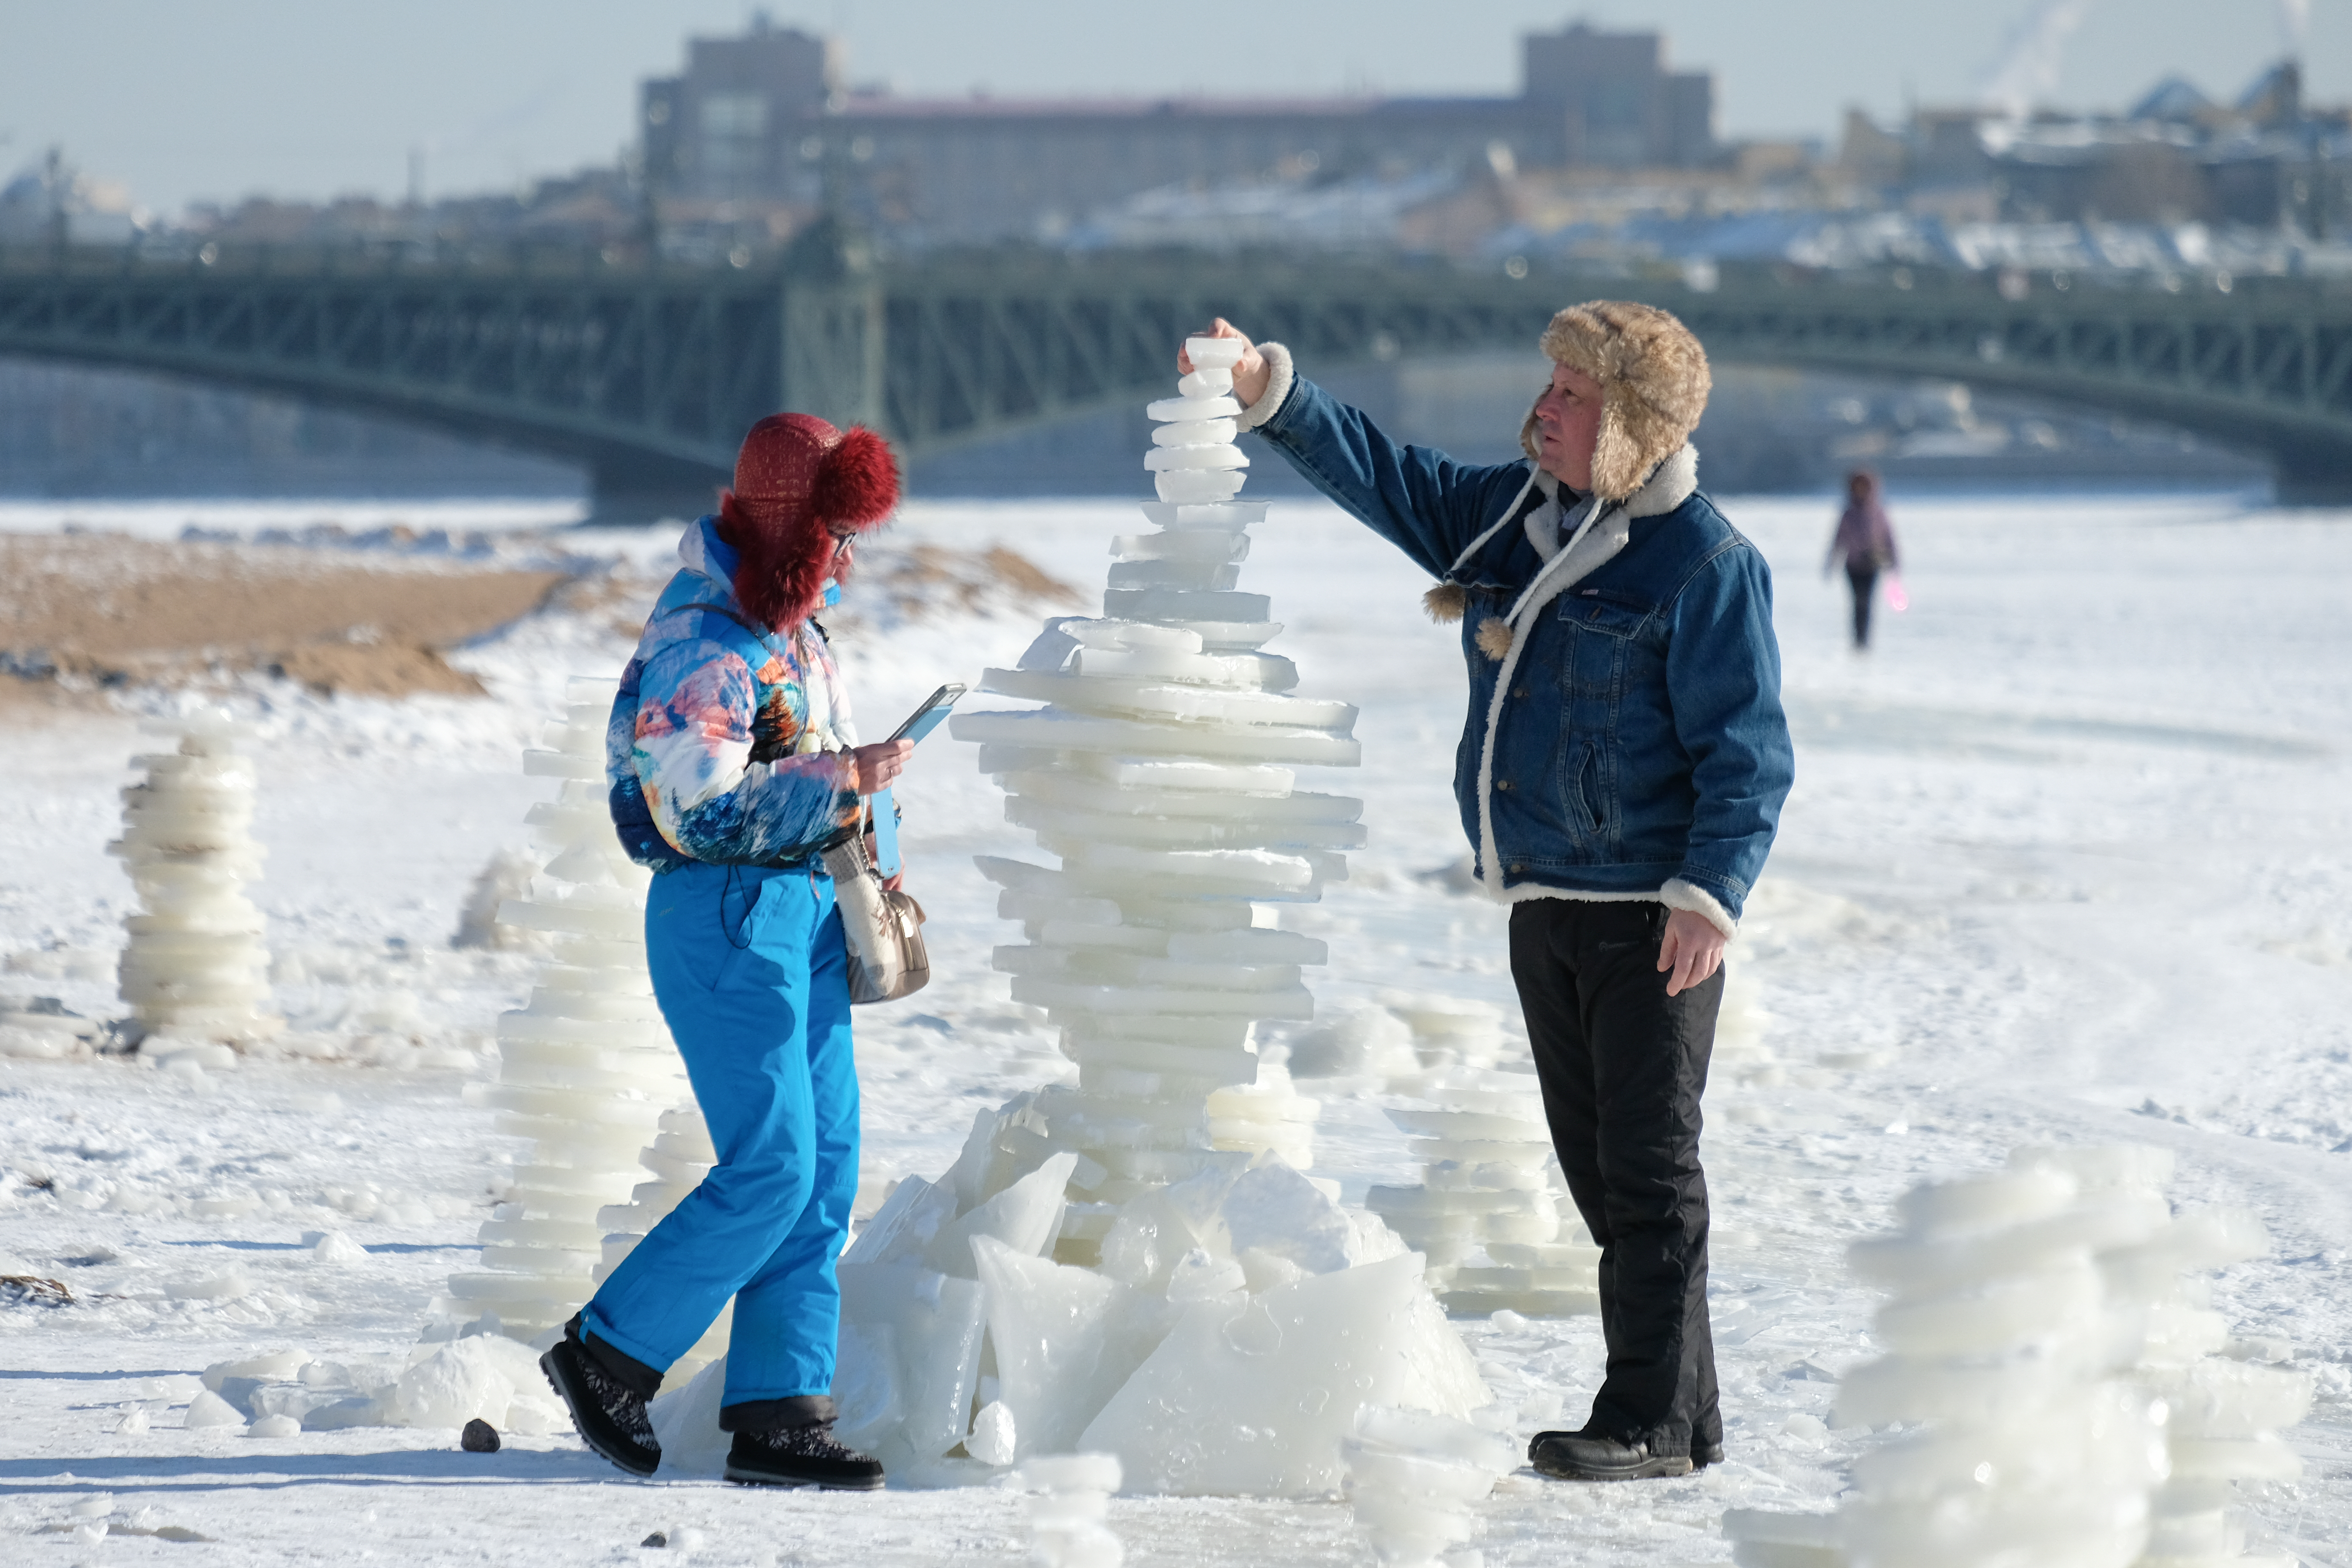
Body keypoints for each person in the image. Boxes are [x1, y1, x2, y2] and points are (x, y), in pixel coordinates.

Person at [1182, 304, 1793, 1482]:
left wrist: (1705, 897)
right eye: (1549, 384)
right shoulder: (1517, 522)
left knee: (1649, 1173)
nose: (1544, 409)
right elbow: (1394, 482)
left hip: (1647, 915)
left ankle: (1644, 1420)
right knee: (1600, 1173)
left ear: (1631, 427)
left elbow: (1746, 753)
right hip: (1546, 901)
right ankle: (1689, 1410)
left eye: (1573, 396)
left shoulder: (1705, 563)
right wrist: (1273, 391)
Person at [538, 412, 912, 1491]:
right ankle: (608, 1353)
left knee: (824, 1172)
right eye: (839, 533)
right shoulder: (708, 642)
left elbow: (798, 767)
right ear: (798, 527)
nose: (850, 556)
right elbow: (696, 809)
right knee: (774, 1165)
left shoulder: (792, 629)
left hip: (801, 919)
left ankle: (779, 1410)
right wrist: (844, 780)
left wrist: (866, 849)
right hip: (726, 919)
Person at [1825, 469, 1899, 649]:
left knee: (1867, 602)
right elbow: (1838, 539)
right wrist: (1831, 562)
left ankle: (1865, 640)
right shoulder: (1848, 513)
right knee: (1857, 602)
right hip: (1853, 566)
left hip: (1872, 565)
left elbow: (1888, 537)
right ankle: (1858, 640)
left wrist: (1894, 562)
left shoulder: (1877, 512)